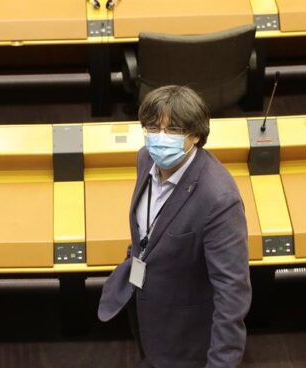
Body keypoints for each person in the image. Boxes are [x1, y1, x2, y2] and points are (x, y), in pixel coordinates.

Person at [98, 85, 252, 368]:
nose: (159, 138)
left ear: (195, 135)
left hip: (186, 333)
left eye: (173, 131)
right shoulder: (145, 158)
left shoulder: (219, 199)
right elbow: (147, 231)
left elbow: (232, 292)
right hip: (145, 304)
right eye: (153, 128)